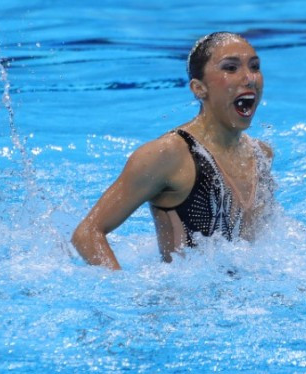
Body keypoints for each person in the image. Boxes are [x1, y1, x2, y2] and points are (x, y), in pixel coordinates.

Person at [72, 32, 275, 270]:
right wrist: (122, 291)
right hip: (180, 303)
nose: (249, 78)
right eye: (230, 68)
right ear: (199, 89)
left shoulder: (261, 154)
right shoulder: (168, 155)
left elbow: (256, 249)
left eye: (255, 67)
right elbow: (87, 233)